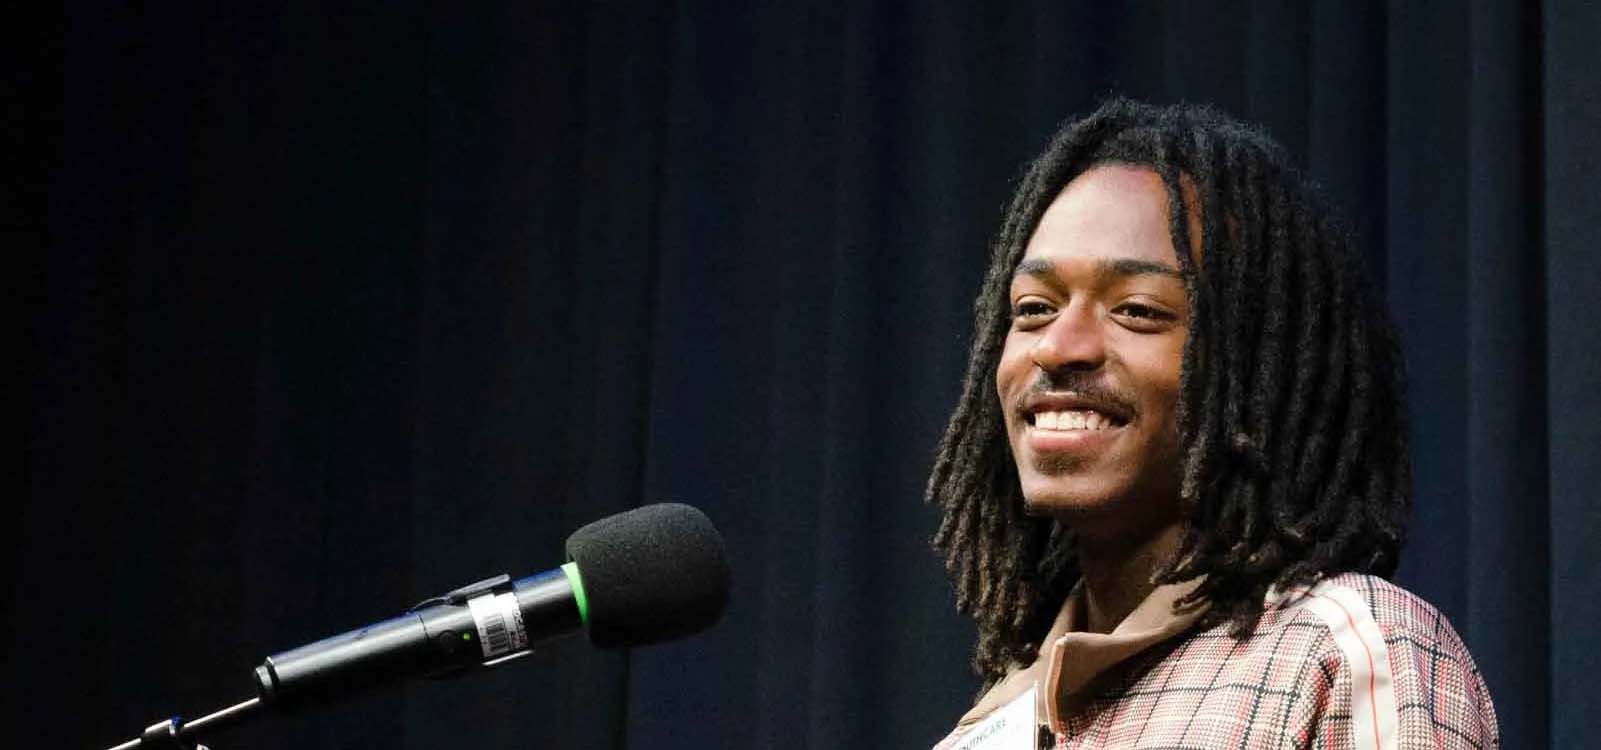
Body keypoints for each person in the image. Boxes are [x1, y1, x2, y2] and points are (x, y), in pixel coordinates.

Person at [926, 99, 1499, 749]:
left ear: (1260, 364)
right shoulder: (990, 725)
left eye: (1136, 310)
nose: (1056, 347)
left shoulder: (1341, 654)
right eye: (1032, 308)